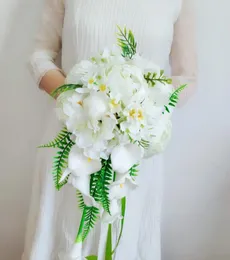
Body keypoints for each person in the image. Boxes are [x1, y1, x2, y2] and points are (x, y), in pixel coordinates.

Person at [22, 0, 197, 259]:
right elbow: (39, 56)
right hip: (71, 141)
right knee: (66, 236)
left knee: (122, 239)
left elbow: (187, 78)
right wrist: (79, 102)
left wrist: (138, 108)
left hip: (136, 149)